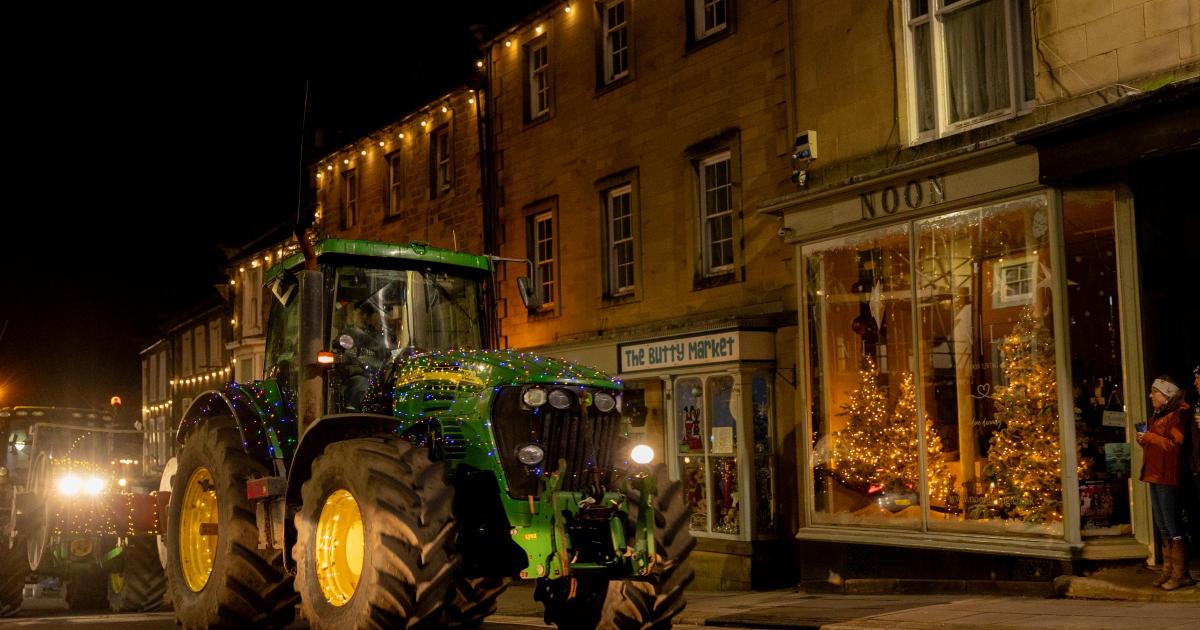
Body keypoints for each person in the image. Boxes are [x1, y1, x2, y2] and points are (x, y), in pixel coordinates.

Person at [1136, 374, 1194, 590]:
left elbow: (1176, 445)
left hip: (1167, 474)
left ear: (1166, 395)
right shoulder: (1159, 414)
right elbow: (1159, 444)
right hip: (1153, 472)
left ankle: (1181, 573)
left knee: (1171, 522)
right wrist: (1144, 441)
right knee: (1162, 525)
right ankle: (1168, 571)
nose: (1151, 396)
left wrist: (1150, 437)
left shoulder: (1178, 415)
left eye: (1155, 392)